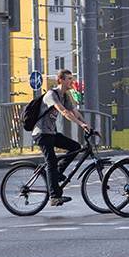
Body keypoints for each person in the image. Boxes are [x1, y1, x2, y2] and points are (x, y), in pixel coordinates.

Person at [33, 69, 93, 206]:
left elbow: (74, 111)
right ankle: (54, 197)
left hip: (51, 133)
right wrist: (80, 124)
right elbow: (64, 112)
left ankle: (57, 174)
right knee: (51, 162)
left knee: (75, 147)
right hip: (41, 133)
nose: (72, 81)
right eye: (69, 79)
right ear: (60, 80)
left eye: (72, 78)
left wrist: (86, 124)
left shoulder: (65, 95)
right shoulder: (51, 95)